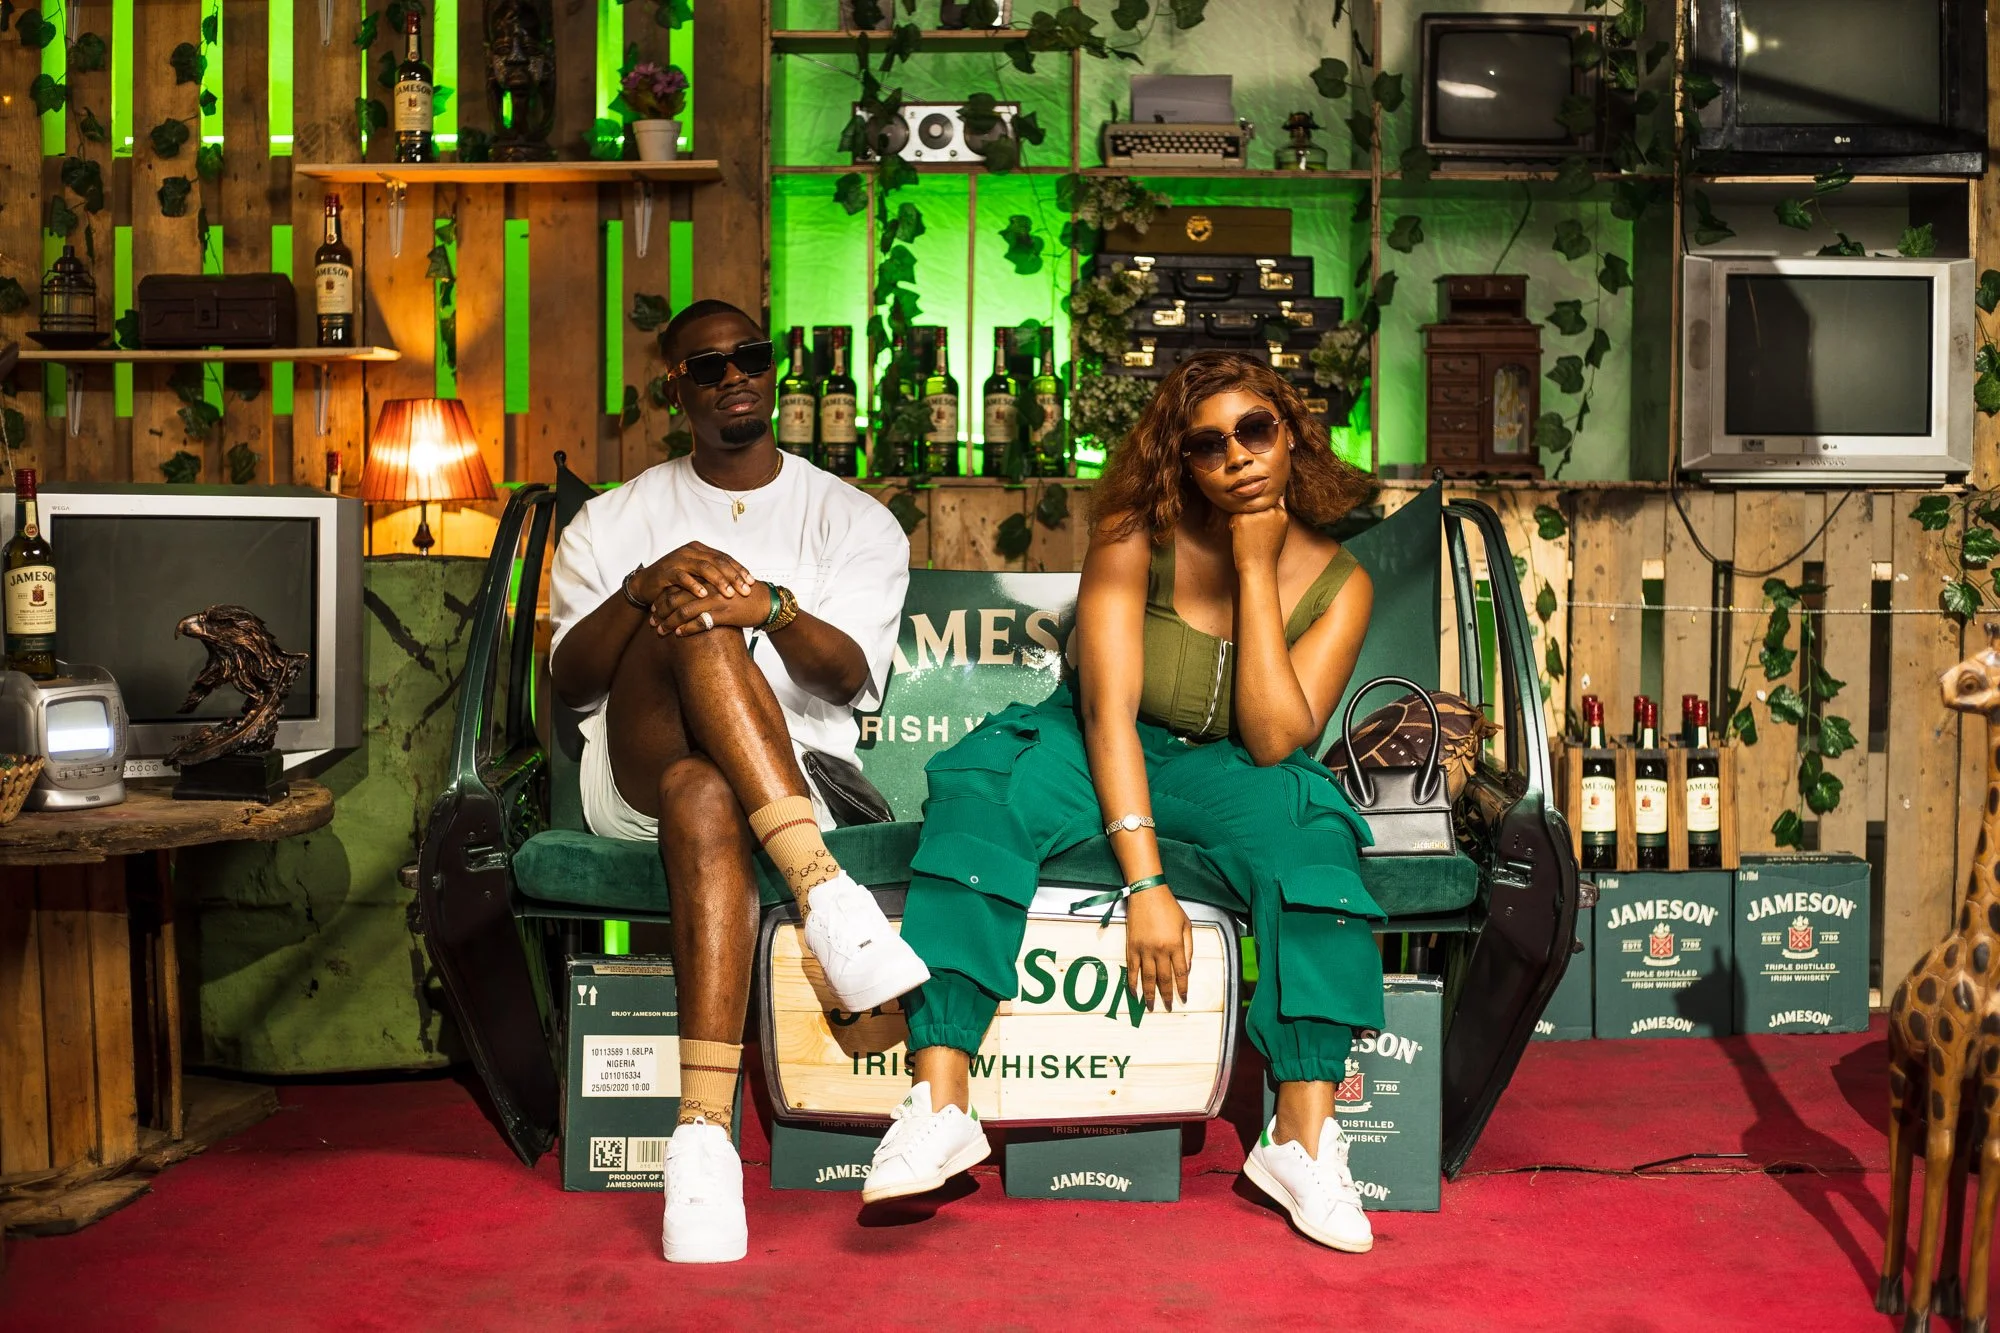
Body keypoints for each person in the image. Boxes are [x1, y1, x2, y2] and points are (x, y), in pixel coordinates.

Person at [861, 350, 1385, 1253]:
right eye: (1207, 443)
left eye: (1256, 430)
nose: (1238, 456)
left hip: (1228, 763)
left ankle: (1299, 1135)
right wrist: (1147, 884)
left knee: (1314, 838)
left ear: (1293, 434)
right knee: (983, 789)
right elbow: (1106, 712)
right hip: (1097, 739)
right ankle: (942, 1099)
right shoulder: (1131, 531)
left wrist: (1257, 569)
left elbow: (1271, 738)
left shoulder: (1342, 582)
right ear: (1180, 461)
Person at [547, 300, 930, 1264]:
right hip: (629, 773)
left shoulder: (853, 517)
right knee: (695, 613)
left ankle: (703, 1143)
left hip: (787, 775)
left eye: (749, 358)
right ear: (674, 388)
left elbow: (846, 677)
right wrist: (648, 585)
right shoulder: (613, 519)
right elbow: (571, 679)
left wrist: (773, 603)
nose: (734, 377)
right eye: (707, 366)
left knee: (706, 787)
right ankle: (828, 897)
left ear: (776, 369)